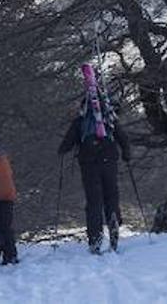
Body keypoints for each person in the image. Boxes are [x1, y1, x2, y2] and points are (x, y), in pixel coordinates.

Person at [59, 93, 131, 253]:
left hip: (89, 164)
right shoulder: (109, 118)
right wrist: (126, 154)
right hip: (109, 161)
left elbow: (67, 143)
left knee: (94, 202)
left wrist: (62, 151)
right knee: (111, 195)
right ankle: (113, 219)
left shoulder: (81, 121)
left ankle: (95, 238)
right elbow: (123, 138)